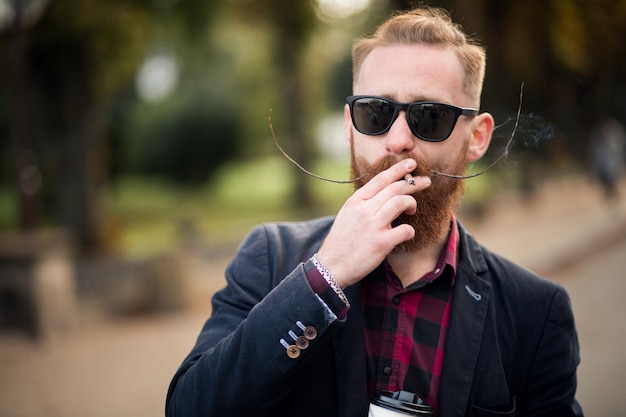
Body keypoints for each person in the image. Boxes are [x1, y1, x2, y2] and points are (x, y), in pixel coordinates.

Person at [166, 6, 583, 417]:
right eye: (375, 113)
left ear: (477, 137)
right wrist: (323, 277)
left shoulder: (535, 312)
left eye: (430, 117)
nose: (398, 140)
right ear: (350, 126)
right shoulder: (269, 257)